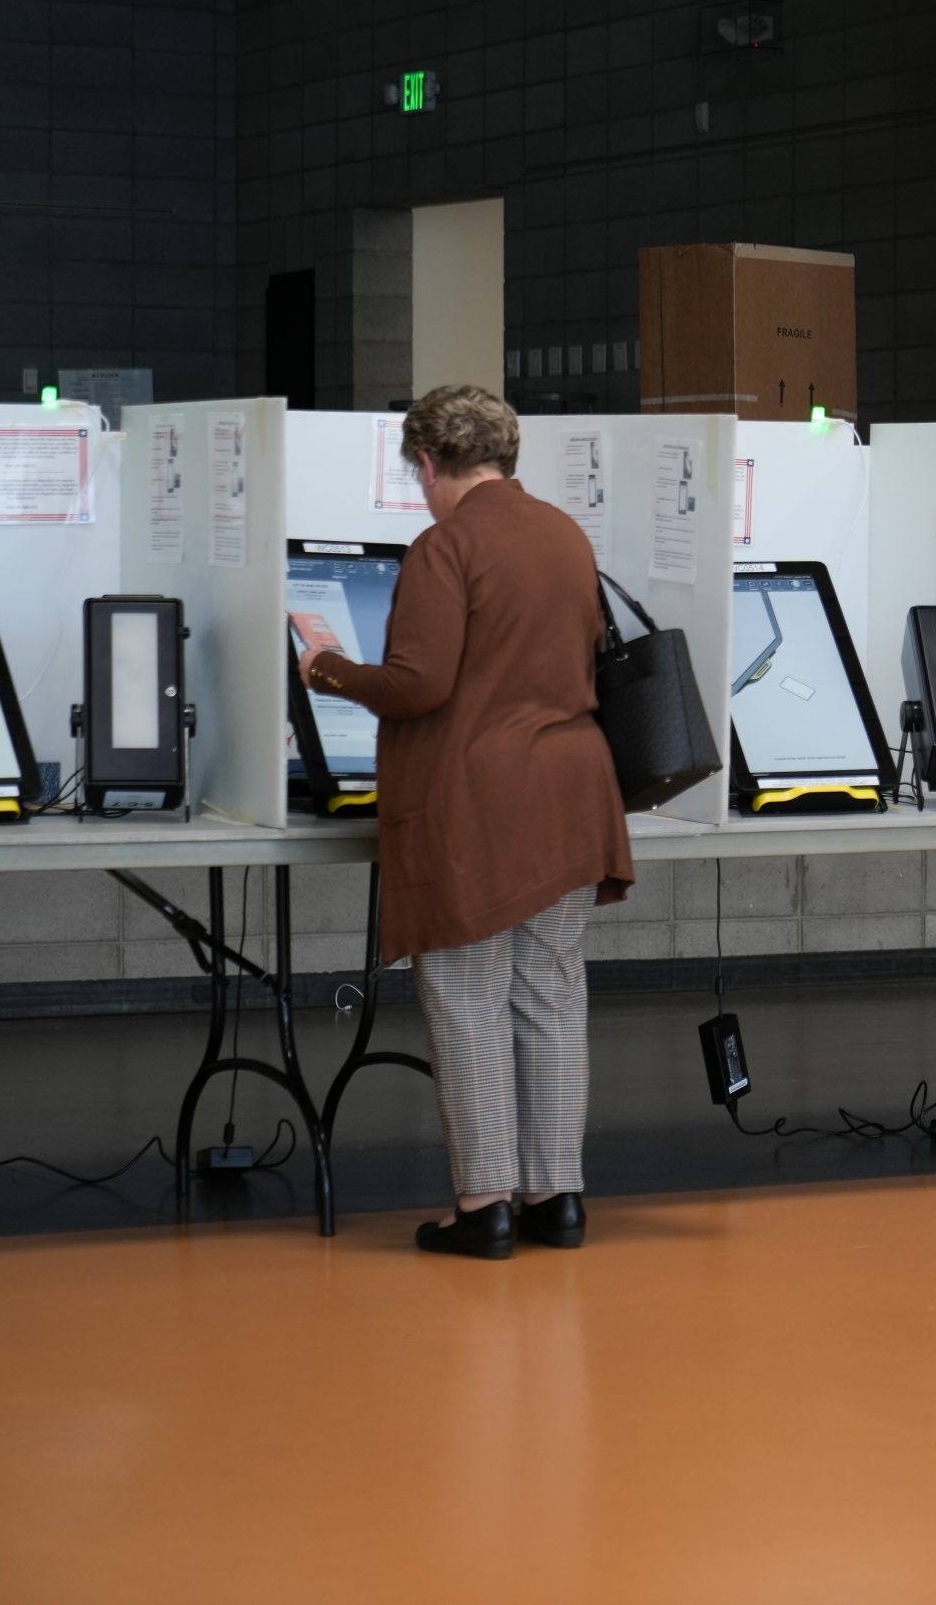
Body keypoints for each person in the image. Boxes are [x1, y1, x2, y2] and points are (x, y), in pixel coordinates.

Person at [300, 385, 633, 1254]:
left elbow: (419, 685)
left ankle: (484, 1205)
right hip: (572, 794)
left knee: (468, 998)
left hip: (482, 806)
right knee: (551, 995)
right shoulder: (565, 534)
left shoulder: (445, 547)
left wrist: (326, 667)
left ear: (428, 463)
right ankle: (556, 1199)